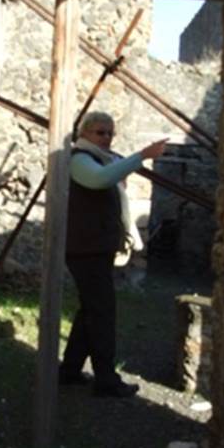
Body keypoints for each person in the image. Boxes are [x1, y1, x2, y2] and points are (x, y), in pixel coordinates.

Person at [60, 111, 168, 397]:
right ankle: (106, 379)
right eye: (100, 132)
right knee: (102, 313)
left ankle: (69, 370)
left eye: (109, 133)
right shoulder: (80, 160)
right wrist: (142, 155)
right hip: (85, 249)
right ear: (84, 134)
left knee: (91, 311)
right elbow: (100, 180)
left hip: (94, 248)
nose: (106, 138)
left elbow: (112, 171)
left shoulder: (102, 158)